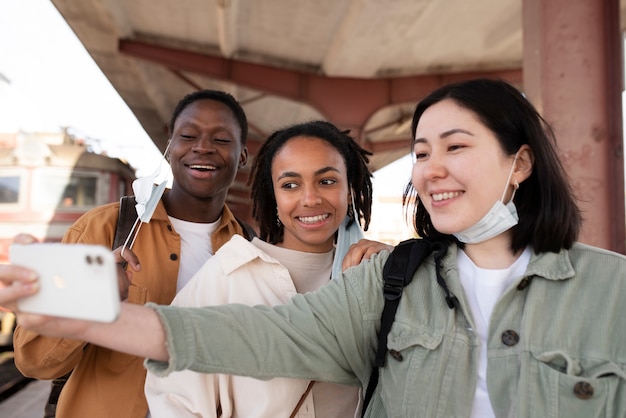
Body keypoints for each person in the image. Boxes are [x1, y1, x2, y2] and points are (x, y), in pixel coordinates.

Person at [7, 78, 626, 418]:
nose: (432, 169)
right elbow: (239, 336)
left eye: (456, 146)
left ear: (520, 163)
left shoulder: (612, 290)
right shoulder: (393, 282)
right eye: (420, 153)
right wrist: (86, 312)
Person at [12, 89, 254, 418]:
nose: (203, 147)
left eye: (222, 139)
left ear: (242, 155)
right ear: (170, 147)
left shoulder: (249, 248)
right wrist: (91, 298)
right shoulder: (104, 228)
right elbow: (34, 362)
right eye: (188, 135)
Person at [145, 120, 378, 417]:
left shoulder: (371, 276)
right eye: (290, 185)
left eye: (327, 181)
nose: (310, 199)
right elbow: (174, 399)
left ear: (350, 189)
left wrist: (400, 267)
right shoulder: (229, 272)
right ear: (274, 197)